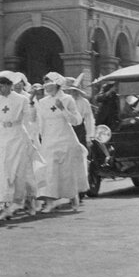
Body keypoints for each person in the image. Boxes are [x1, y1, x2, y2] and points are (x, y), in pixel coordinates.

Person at [33, 72, 88, 211]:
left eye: (49, 84)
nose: (46, 87)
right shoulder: (43, 102)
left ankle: (73, 197)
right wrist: (40, 137)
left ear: (57, 84)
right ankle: (50, 201)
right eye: (45, 84)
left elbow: (77, 121)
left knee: (67, 170)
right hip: (49, 139)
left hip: (65, 138)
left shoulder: (68, 99)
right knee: (49, 170)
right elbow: (41, 121)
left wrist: (63, 109)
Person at [0, 70, 37, 219]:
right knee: (4, 170)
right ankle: (6, 205)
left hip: (18, 136)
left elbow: (31, 119)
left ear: (10, 85)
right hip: (2, 138)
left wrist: (32, 104)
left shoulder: (21, 100)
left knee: (19, 170)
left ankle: (26, 201)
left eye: (2, 86)